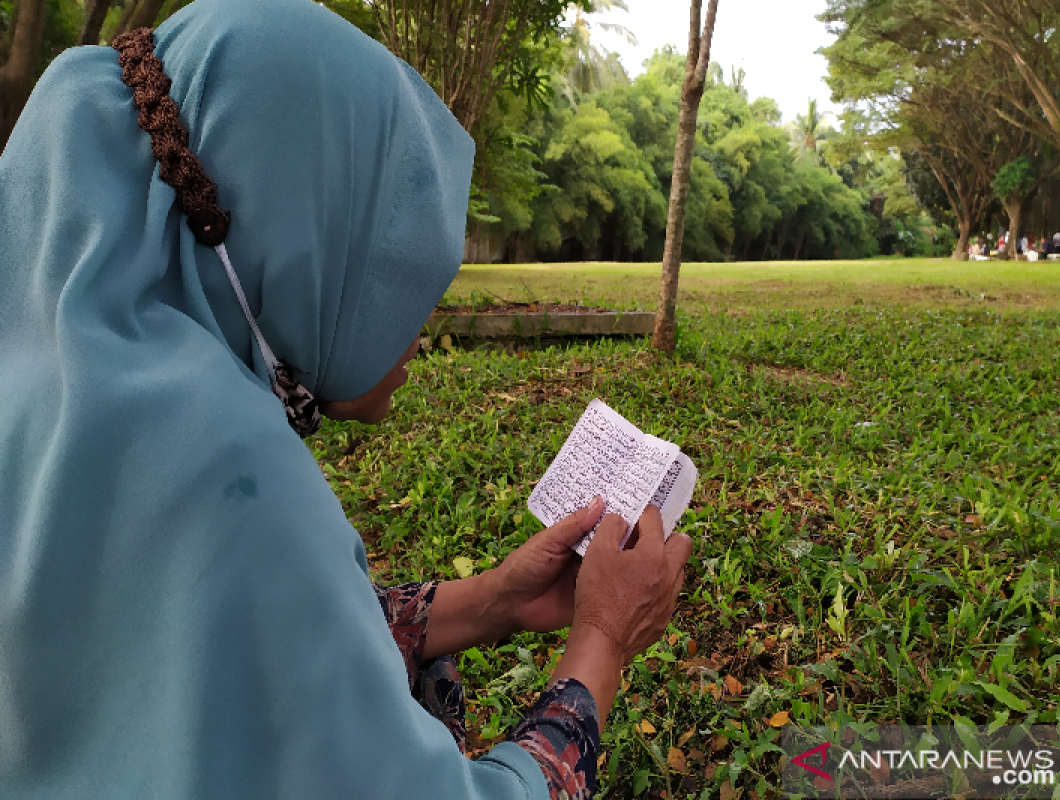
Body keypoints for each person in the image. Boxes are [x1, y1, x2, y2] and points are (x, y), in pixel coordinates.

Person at [0, 1, 691, 797]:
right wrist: (601, 640)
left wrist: (494, 599)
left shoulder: (61, 392)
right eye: (390, 274)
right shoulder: (223, 474)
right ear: (299, 243)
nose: (416, 332)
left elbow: (232, 650)